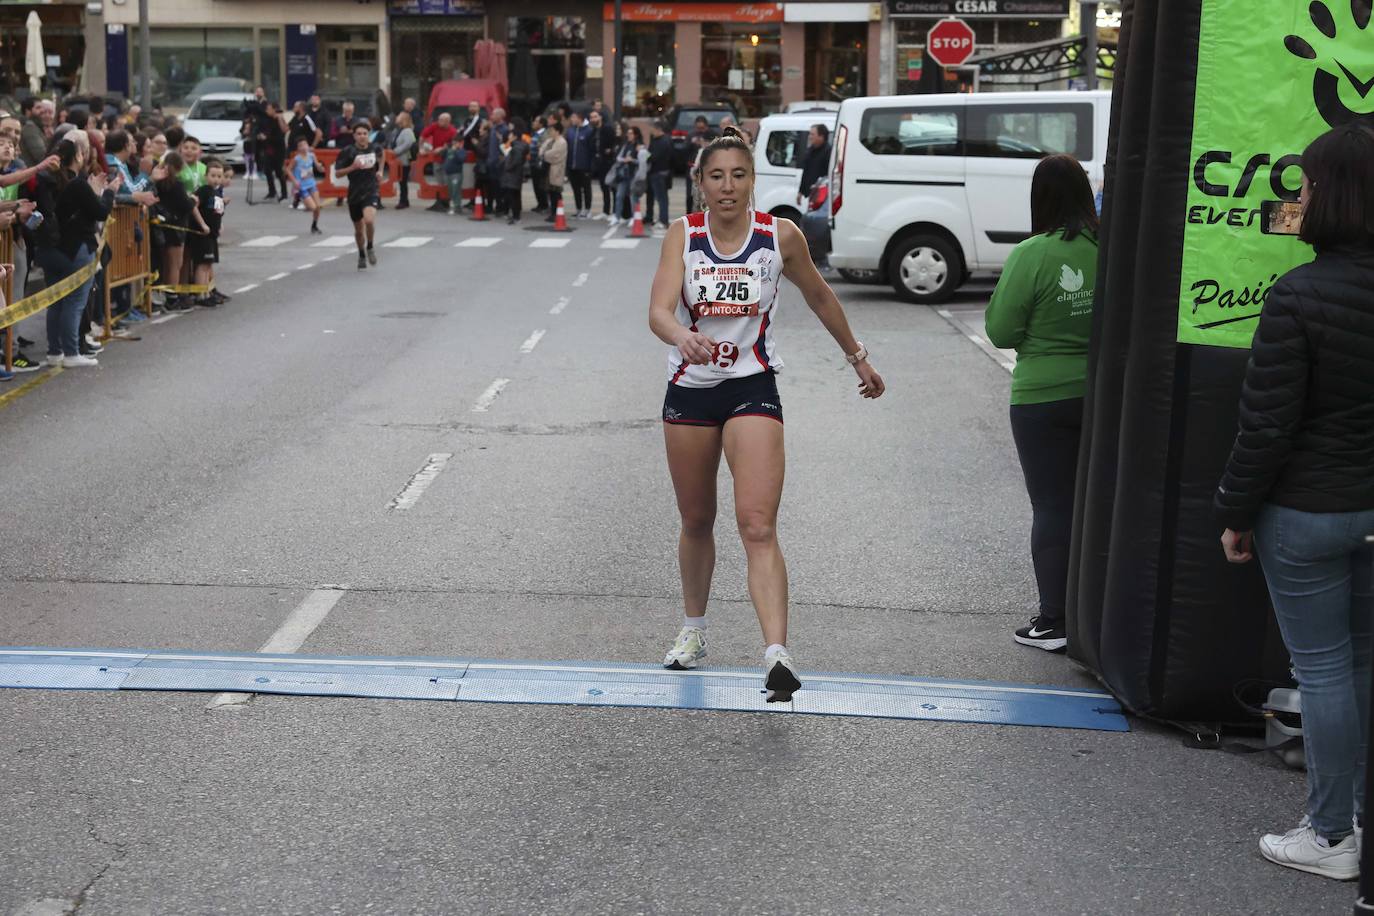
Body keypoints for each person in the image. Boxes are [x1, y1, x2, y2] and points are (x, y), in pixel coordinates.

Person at [647, 127, 885, 699]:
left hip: (752, 387)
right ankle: (694, 630)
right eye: (716, 176)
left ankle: (777, 654)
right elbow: (657, 310)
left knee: (756, 523)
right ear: (700, 184)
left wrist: (858, 358)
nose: (728, 187)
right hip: (690, 392)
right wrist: (681, 334)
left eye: (739, 175)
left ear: (753, 180)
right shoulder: (683, 235)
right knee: (697, 520)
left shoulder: (780, 236)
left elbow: (821, 296)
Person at [1216, 121, 1374, 882]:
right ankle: (1358, 826)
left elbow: (1266, 425)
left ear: (1331, 195)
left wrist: (1235, 512)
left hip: (1308, 511)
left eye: (1305, 185)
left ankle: (1330, 833)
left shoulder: (1298, 294)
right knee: (1365, 665)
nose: (1297, 197)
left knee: (1325, 673)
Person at [982, 155, 1099, 654]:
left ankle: (1055, 620)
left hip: (1042, 397)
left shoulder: (1032, 253)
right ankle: (1097, 613)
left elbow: (1001, 330)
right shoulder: (1108, 246)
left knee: (1053, 507)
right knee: (1096, 505)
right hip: (1103, 393)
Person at [32, 135, 121, 367]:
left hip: (49, 249)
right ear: (78, 156)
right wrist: (109, 191)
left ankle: (55, 352)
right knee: (74, 302)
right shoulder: (77, 184)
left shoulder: (47, 180)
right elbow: (100, 212)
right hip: (75, 249)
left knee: (55, 301)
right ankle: (72, 353)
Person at [152, 152, 209, 311]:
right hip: (176, 228)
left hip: (161, 226)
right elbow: (186, 205)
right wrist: (193, 200)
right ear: (179, 168)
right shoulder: (176, 185)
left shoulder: (159, 183)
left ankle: (164, 295)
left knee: (165, 263)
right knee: (175, 265)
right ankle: (172, 297)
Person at [335, 121, 384, 270]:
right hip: (355, 192)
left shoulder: (374, 147)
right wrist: (352, 167)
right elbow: (337, 173)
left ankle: (370, 246)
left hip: (371, 189)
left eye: (365, 134)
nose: (362, 136)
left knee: (369, 220)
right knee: (358, 229)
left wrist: (380, 170)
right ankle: (361, 254)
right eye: (359, 134)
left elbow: (382, 155)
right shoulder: (347, 151)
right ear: (354, 136)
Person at [188, 158, 228, 306]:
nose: (216, 179)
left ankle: (207, 292)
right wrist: (203, 224)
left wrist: (220, 225)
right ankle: (201, 295)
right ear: (206, 176)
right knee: (202, 264)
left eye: (219, 176)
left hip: (212, 235)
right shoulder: (204, 190)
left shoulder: (217, 193)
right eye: (213, 175)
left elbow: (218, 212)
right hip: (202, 234)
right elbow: (193, 206)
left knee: (208, 264)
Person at [612, 126, 647, 229]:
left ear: (636, 135)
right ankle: (616, 216)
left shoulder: (641, 146)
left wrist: (632, 160)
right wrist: (624, 160)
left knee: (633, 197)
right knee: (619, 196)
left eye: (631, 133)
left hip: (635, 175)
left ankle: (634, 217)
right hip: (624, 175)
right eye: (628, 133)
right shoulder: (626, 145)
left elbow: (644, 160)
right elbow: (618, 157)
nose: (628, 135)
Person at [287, 137, 323, 234]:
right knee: (313, 207)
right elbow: (288, 169)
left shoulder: (311, 156)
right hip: (302, 186)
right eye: (300, 146)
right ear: (298, 148)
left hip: (311, 183)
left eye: (305, 144)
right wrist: (294, 181)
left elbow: (318, 166)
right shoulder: (296, 159)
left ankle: (314, 225)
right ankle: (298, 196)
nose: (303, 147)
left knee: (318, 207)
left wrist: (320, 167)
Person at [499, 118, 529, 224]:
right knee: (515, 195)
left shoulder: (517, 147)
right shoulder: (519, 146)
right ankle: (516, 216)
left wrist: (507, 167)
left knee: (513, 196)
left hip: (512, 175)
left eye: (510, 135)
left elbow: (515, 161)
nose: (508, 137)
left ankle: (516, 217)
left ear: (515, 136)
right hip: (516, 175)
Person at [685, 116, 716, 215]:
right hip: (694, 168)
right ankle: (690, 215)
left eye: (702, 128)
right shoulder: (691, 135)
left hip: (707, 177)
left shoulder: (712, 134)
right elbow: (683, 150)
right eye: (698, 128)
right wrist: (692, 143)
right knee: (691, 195)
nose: (700, 130)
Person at [647, 119, 673, 234]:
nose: (651, 131)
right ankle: (663, 219)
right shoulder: (663, 140)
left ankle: (663, 220)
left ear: (658, 129)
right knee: (662, 198)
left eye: (652, 129)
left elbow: (654, 156)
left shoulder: (662, 141)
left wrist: (647, 156)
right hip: (662, 172)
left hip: (659, 172)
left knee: (661, 198)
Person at [590, 108, 617, 219]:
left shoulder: (607, 129)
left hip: (608, 162)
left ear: (600, 117)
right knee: (603, 187)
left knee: (612, 187)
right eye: (591, 117)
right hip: (599, 162)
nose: (593, 119)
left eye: (595, 117)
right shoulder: (593, 131)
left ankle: (615, 212)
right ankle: (605, 211)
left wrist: (609, 150)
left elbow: (614, 143)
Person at [539, 120, 567, 223]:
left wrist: (544, 155)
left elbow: (555, 155)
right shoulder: (550, 140)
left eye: (552, 130)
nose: (551, 132)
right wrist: (544, 153)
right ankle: (552, 212)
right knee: (550, 192)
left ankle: (557, 212)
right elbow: (541, 149)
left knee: (556, 192)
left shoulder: (562, 142)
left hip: (556, 170)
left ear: (558, 131)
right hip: (547, 169)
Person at [797, 123, 830, 206]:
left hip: (823, 196)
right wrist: (800, 192)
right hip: (811, 194)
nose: (809, 137)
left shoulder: (829, 152)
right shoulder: (810, 151)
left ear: (821, 136)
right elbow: (806, 172)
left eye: (812, 134)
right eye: (809, 134)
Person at [484, 108, 510, 214]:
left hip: (499, 164)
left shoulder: (505, 129)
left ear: (500, 116)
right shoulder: (493, 128)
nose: (491, 116)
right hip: (491, 162)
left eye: (494, 115)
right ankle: (490, 206)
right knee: (491, 186)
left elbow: (507, 147)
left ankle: (500, 207)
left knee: (499, 186)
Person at [390, 111, 416, 210]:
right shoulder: (399, 130)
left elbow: (407, 144)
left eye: (399, 116)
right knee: (402, 181)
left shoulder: (407, 131)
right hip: (399, 159)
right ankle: (404, 200)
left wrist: (394, 152)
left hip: (404, 160)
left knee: (403, 181)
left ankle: (403, 201)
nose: (397, 117)